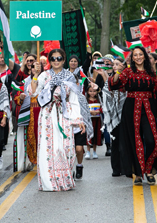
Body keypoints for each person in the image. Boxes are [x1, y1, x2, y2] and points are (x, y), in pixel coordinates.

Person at [108, 46, 157, 186]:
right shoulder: (128, 71)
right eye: (135, 55)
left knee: (151, 141)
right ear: (132, 57)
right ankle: (138, 173)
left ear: (144, 56)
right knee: (135, 142)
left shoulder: (151, 72)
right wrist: (118, 71)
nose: (138, 57)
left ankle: (149, 170)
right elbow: (114, 84)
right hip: (131, 109)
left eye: (140, 54)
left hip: (148, 109)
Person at [35, 48, 85, 192]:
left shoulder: (70, 76)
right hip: (47, 115)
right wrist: (34, 76)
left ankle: (65, 179)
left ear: (64, 60)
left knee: (65, 147)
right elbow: (35, 93)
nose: (56, 61)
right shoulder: (43, 76)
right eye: (53, 59)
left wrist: (78, 119)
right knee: (47, 148)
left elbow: (74, 99)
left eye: (59, 58)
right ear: (49, 61)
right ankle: (48, 182)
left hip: (65, 114)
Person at [13, 60, 42, 172]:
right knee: (31, 136)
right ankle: (33, 159)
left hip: (44, 112)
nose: (34, 69)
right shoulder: (25, 81)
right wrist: (20, 98)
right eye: (32, 66)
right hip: (29, 112)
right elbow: (18, 97)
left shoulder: (46, 78)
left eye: (36, 66)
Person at [101, 57, 126, 176]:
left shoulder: (127, 78)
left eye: (117, 64)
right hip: (113, 115)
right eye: (113, 64)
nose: (115, 66)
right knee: (115, 143)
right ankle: (116, 169)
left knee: (125, 142)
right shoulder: (110, 80)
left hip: (126, 114)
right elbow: (106, 95)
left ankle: (126, 167)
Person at [85, 83, 102, 160]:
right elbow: (84, 109)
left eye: (94, 91)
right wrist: (90, 112)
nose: (92, 93)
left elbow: (103, 107)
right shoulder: (86, 100)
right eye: (90, 91)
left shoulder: (98, 99)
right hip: (89, 120)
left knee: (96, 134)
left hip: (97, 120)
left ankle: (94, 151)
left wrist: (99, 111)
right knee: (89, 135)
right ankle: (88, 151)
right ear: (87, 92)